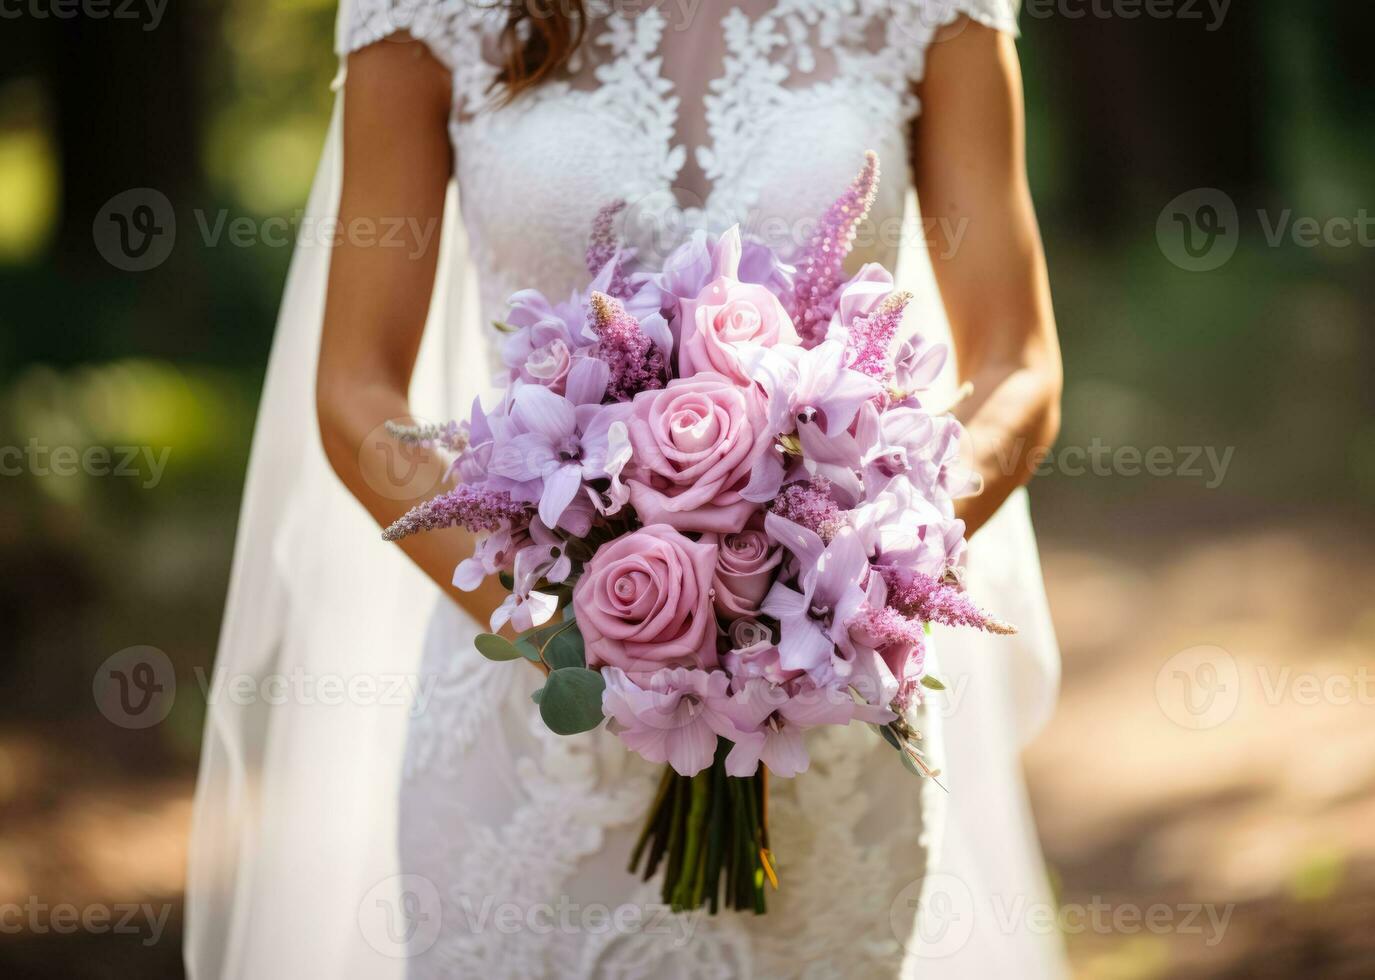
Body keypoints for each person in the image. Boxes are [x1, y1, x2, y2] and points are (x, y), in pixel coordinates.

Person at [188, 2, 1067, 976]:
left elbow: (1017, 364)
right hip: (529, 712)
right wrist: (574, 636)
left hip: (822, 700)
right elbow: (355, 390)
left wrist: (873, 553)